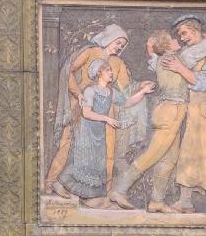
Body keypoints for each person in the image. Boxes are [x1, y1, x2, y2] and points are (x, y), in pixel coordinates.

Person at [53, 60, 154, 207]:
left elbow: (127, 102)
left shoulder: (110, 92)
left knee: (96, 162)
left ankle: (89, 196)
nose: (111, 73)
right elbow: (86, 113)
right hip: (86, 130)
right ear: (99, 73)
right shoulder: (90, 91)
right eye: (108, 70)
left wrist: (142, 92)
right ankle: (59, 183)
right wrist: (107, 119)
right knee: (82, 160)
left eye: (110, 70)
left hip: (98, 131)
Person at [109, 29, 189, 212]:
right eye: (173, 38)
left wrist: (151, 46)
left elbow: (153, 53)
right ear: (167, 44)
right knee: (152, 155)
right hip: (171, 111)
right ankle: (119, 190)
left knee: (169, 160)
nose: (178, 40)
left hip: (172, 111)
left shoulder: (162, 59)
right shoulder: (172, 58)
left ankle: (157, 201)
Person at [45, 24, 131, 194]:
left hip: (105, 110)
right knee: (68, 143)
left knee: (107, 149)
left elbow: (127, 88)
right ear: (109, 38)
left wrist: (140, 88)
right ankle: (51, 181)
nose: (120, 47)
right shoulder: (91, 52)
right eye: (118, 42)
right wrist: (78, 93)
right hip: (83, 104)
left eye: (122, 45)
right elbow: (68, 71)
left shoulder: (118, 63)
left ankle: (103, 191)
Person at [159, 15, 206, 213]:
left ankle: (186, 202)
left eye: (184, 33)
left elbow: (202, 83)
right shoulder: (188, 54)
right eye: (179, 35)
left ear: (196, 29)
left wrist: (179, 69)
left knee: (196, 153)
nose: (182, 38)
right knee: (189, 154)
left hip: (202, 111)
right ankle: (185, 202)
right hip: (193, 111)